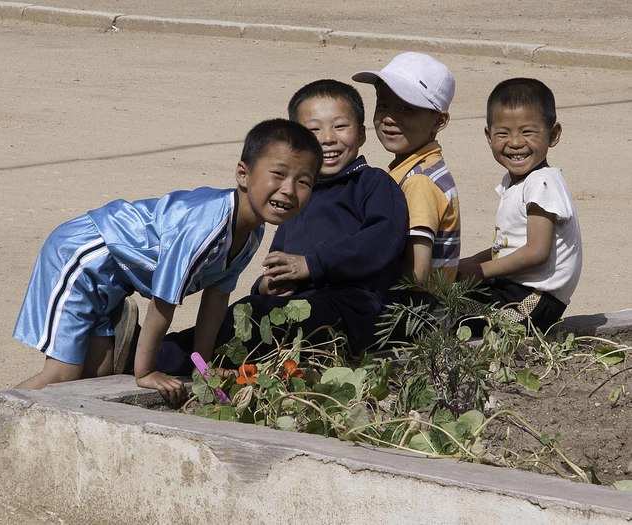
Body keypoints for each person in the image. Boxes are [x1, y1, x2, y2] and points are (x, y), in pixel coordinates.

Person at [0, 119, 321, 500]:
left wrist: (204, 367)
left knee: (93, 382)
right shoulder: (207, 223)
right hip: (83, 258)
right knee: (63, 374)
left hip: (113, 280)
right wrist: (145, 372)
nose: (288, 191)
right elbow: (164, 301)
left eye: (304, 181)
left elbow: (216, 299)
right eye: (278, 175)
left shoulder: (251, 232)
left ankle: (31, 459)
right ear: (243, 174)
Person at [156, 79, 408, 374]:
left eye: (340, 127)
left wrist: (313, 265)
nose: (327, 139)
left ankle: (167, 358)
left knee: (256, 321)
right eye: (313, 130)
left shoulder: (372, 183)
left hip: (353, 309)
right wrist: (268, 283)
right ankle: (148, 354)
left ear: (362, 135)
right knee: (240, 315)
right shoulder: (299, 195)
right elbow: (280, 259)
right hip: (295, 306)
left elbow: (381, 242)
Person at [458, 78, 582, 333]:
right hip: (513, 288)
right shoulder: (518, 182)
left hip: (535, 299)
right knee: (447, 300)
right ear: (488, 136)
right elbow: (506, 246)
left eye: (527, 132)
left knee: (462, 324)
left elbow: (536, 251)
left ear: (554, 134)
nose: (515, 142)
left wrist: (480, 271)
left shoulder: (542, 182)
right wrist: (466, 264)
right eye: (503, 133)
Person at [353, 52, 460, 285]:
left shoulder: (420, 182)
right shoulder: (418, 168)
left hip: (415, 314)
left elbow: (416, 275)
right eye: (383, 106)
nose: (390, 118)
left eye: (407, 109)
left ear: (439, 121)